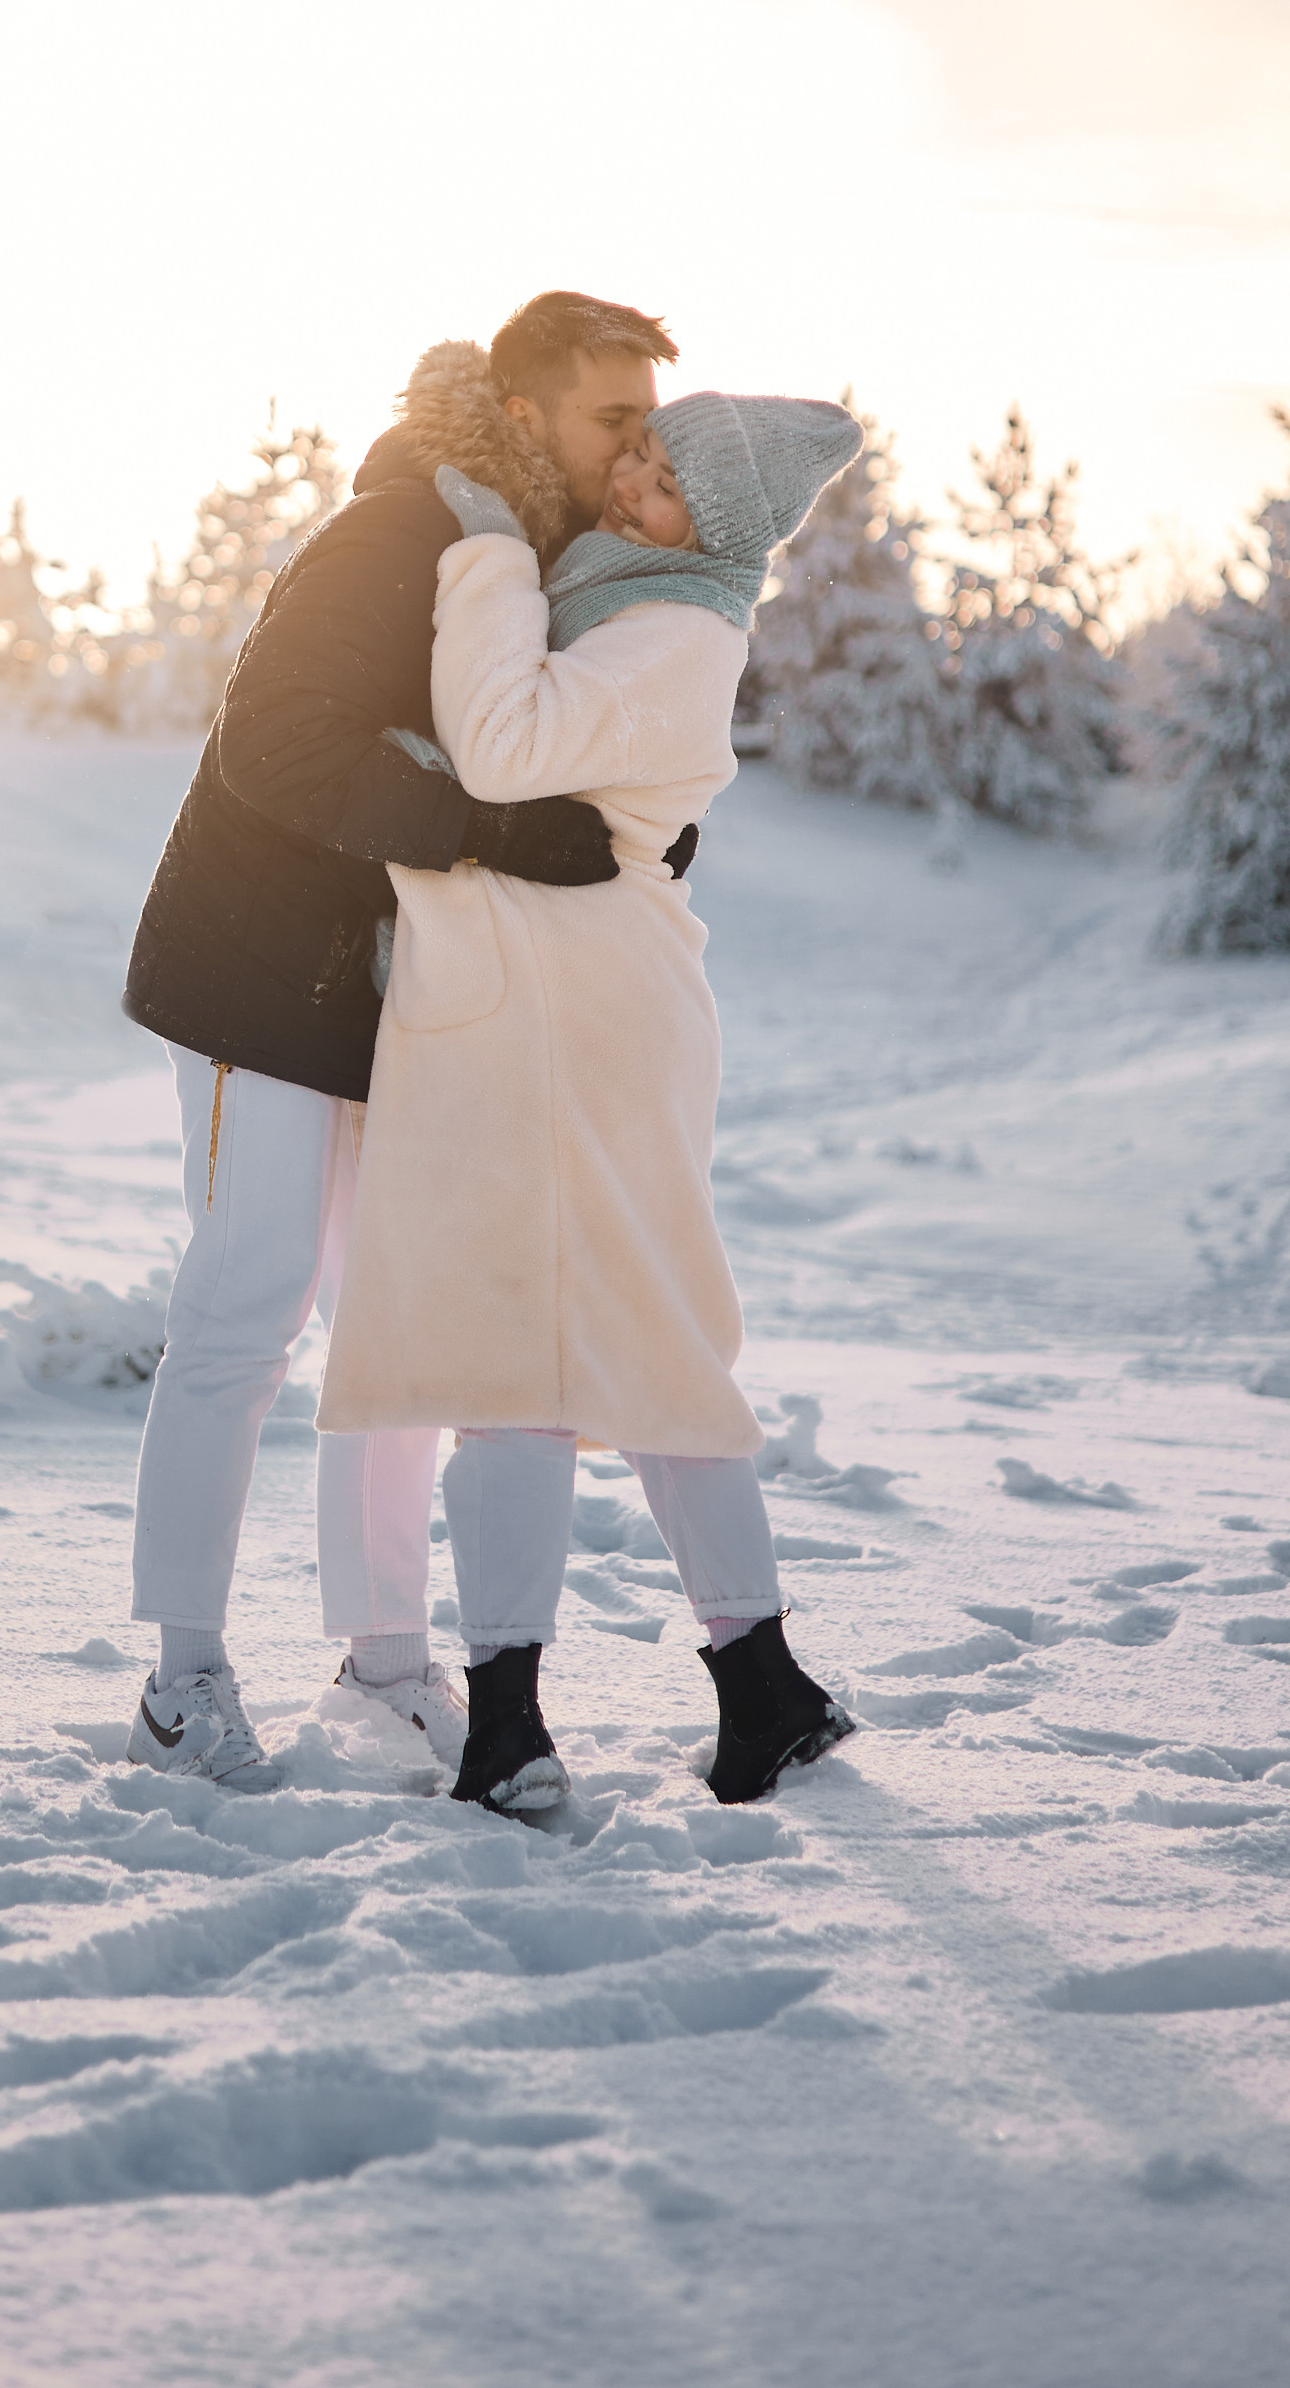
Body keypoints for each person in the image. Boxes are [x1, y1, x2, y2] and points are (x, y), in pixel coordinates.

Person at [117, 292, 686, 1788]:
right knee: (247, 1305)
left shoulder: (537, 561)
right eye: (609, 419)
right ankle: (181, 1677)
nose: (637, 446)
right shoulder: (396, 533)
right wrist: (488, 826)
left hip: (393, 995)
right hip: (257, 976)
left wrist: (620, 834)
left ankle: (383, 1662)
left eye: (650, 421)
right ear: (521, 409)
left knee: (398, 1323)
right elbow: (276, 739)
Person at [317, 385, 865, 1814]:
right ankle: (758, 1690)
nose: (631, 483)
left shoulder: (673, 631)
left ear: (722, 529)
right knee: (615, 1339)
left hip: (575, 1020)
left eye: (669, 481)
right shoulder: (630, 602)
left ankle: (516, 1726)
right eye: (636, 452)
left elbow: (500, 752)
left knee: (540, 1356)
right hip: (560, 1005)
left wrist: (488, 553)